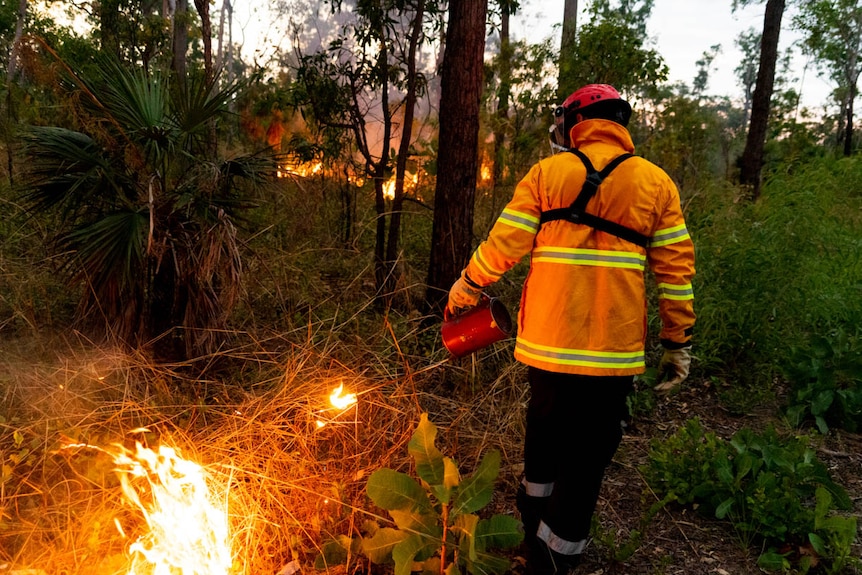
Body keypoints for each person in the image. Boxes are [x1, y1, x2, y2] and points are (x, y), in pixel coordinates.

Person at [446, 84, 695, 574]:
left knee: (543, 439)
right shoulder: (656, 184)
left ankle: (533, 535)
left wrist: (468, 286)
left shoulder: (547, 173)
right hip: (612, 353)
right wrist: (677, 343)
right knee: (585, 461)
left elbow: (504, 243)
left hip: (546, 348)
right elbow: (676, 274)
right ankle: (553, 560)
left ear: (577, 121)